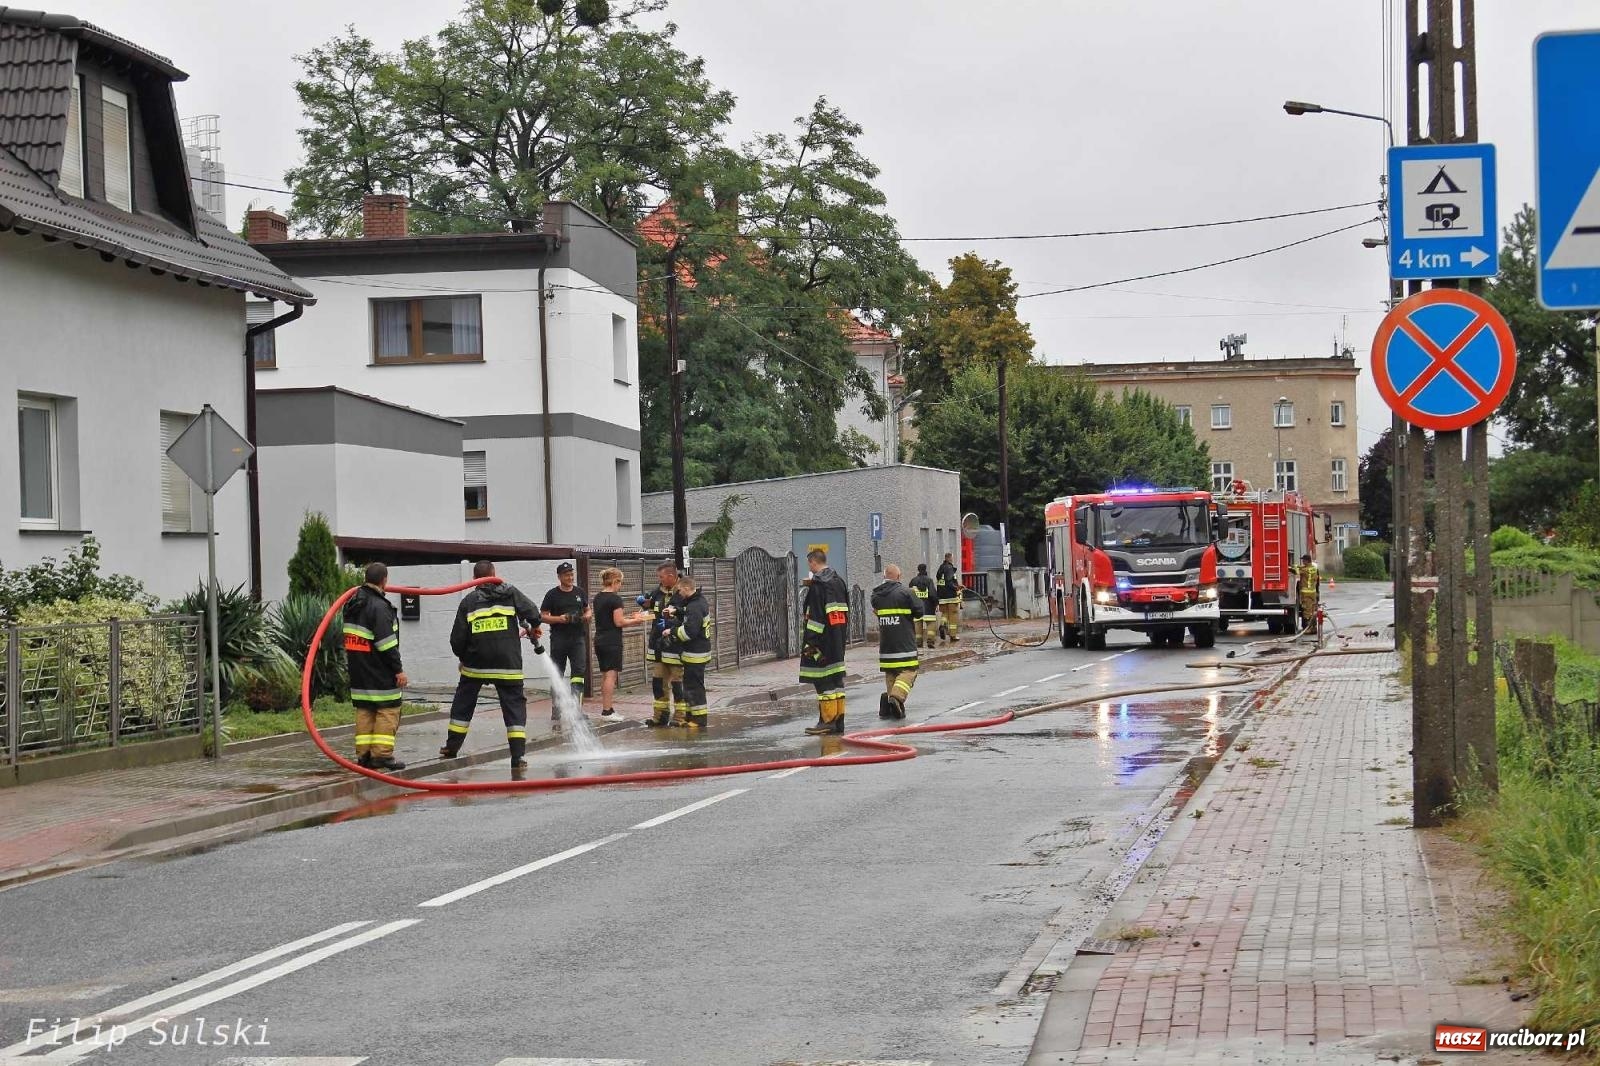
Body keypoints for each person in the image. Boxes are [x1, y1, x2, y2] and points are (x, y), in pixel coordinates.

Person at [441, 561, 543, 769]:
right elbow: (534, 613)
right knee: (514, 708)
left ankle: (451, 748)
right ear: (494, 574)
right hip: (508, 665)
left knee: (463, 705)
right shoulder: (510, 593)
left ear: (474, 578)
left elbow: (456, 639)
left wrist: (463, 658)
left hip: (475, 665)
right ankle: (518, 757)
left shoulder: (469, 601)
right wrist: (535, 626)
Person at [342, 562, 409, 770]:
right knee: (388, 709)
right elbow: (386, 643)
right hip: (379, 670)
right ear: (384, 580)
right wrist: (398, 670)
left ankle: (364, 756)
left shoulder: (353, 603)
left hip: (358, 669)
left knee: (366, 710)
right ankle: (381, 755)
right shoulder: (378, 607)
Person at [800, 548, 850, 735]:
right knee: (836, 679)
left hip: (819, 642)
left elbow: (815, 618)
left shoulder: (819, 586)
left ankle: (827, 721)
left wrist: (810, 643)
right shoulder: (839, 582)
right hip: (837, 639)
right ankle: (838, 720)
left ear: (813, 563)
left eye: (809, 565)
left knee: (822, 680)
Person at [593, 567, 651, 718]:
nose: (621, 586)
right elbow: (618, 622)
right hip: (612, 641)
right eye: (620, 582)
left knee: (605, 675)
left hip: (600, 639)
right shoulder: (615, 599)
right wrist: (636, 621)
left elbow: (610, 619)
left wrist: (631, 618)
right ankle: (607, 711)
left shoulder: (598, 597)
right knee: (611, 676)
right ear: (615, 581)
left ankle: (607, 708)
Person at [541, 562, 592, 729]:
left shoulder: (579, 592)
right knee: (558, 674)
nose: (570, 577)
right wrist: (560, 619)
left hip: (577, 639)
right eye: (566, 575)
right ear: (559, 577)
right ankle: (556, 709)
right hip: (559, 640)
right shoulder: (552, 595)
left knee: (578, 672)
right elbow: (543, 616)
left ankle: (577, 709)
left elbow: (588, 610)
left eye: (571, 574)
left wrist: (586, 617)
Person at [664, 569, 713, 728]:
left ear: (686, 588)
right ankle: (691, 717)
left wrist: (670, 632)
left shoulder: (695, 606)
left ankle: (698, 720)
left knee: (694, 688)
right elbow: (687, 613)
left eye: (679, 590)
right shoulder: (697, 602)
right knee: (691, 687)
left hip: (695, 654)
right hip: (696, 653)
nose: (679, 593)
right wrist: (675, 611)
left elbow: (689, 631)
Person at [872, 563, 921, 719]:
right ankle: (896, 697)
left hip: (886, 648)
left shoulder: (876, 596)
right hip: (905, 645)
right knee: (909, 671)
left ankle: (893, 706)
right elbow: (920, 612)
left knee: (891, 674)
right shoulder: (906, 593)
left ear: (884, 577)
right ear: (899, 577)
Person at [642, 561, 686, 727]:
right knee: (658, 683)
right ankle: (660, 717)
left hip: (676, 647)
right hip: (659, 646)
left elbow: (688, 618)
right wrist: (645, 605)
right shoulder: (657, 593)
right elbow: (651, 609)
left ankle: (680, 717)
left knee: (678, 684)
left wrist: (672, 623)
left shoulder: (683, 593)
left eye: (661, 577)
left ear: (671, 576)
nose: (659, 580)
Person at [908, 563, 938, 650]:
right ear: (925, 569)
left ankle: (918, 642)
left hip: (916, 607)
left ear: (918, 570)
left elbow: (909, 594)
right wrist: (935, 603)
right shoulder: (929, 580)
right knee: (931, 623)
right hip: (928, 607)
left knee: (917, 624)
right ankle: (930, 641)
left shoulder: (913, 581)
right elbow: (932, 594)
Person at [936, 552, 962, 643]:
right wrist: (957, 587)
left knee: (945, 613)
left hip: (942, 596)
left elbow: (941, 581)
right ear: (950, 558)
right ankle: (953, 635)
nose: (952, 560)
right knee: (953, 615)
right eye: (952, 558)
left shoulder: (940, 568)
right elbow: (949, 581)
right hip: (951, 596)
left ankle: (942, 625)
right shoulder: (949, 568)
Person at [1294, 553, 1321, 635]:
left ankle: (1309, 629)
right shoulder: (1313, 568)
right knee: (1313, 611)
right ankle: (1314, 628)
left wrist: (1295, 566)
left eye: (1303, 560)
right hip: (1313, 592)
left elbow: (1297, 572)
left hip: (1306, 594)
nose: (1302, 562)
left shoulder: (1305, 570)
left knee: (1307, 613)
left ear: (1306, 561)